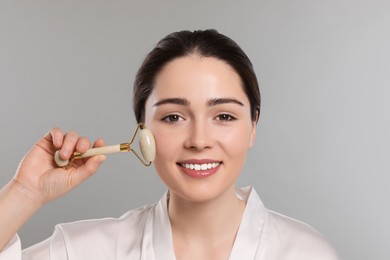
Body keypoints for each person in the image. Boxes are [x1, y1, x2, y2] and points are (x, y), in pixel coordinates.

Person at [0, 29, 339, 259]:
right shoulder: (85, 250)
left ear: (253, 127)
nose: (199, 141)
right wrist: (24, 192)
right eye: (174, 117)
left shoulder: (306, 252)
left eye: (223, 116)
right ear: (143, 132)